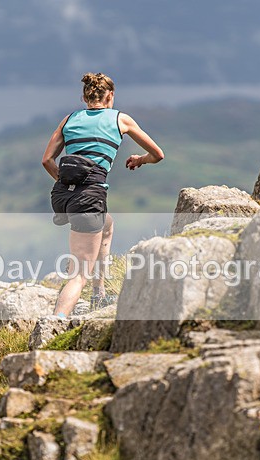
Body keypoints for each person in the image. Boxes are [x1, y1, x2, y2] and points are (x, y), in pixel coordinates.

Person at [42, 72, 164, 317]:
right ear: (110, 96)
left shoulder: (69, 120)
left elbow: (47, 160)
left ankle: (99, 293)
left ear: (85, 97)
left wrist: (70, 184)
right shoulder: (121, 119)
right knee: (78, 275)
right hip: (89, 198)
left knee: (106, 225)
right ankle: (54, 323)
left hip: (63, 196)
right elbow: (157, 154)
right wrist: (140, 160)